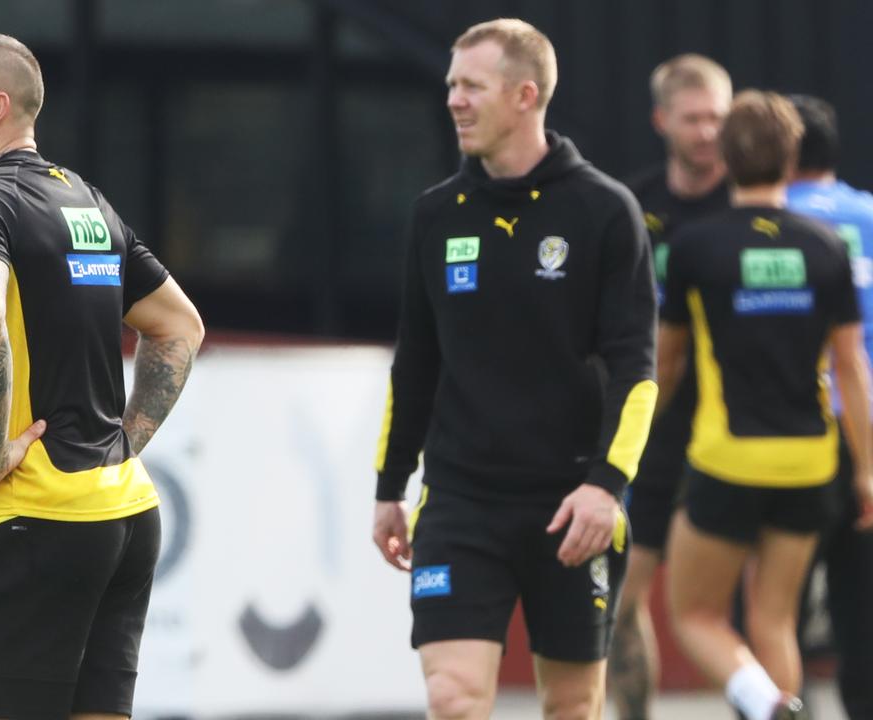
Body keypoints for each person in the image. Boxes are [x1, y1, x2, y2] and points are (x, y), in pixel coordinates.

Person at [0, 33, 204, 720]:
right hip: (125, 514)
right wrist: (124, 442)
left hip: (33, 519)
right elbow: (179, 325)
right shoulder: (85, 201)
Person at [371, 18, 656, 720]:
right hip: (462, 502)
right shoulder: (436, 215)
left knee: (572, 706)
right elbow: (416, 362)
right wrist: (389, 486)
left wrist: (605, 488)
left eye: (472, 86)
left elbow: (636, 369)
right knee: (455, 697)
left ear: (526, 95)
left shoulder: (605, 210)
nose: (454, 100)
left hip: (572, 505)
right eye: (450, 85)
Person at [658, 89, 873, 720]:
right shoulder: (825, 246)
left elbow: (665, 362)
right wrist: (865, 468)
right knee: (775, 617)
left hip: (728, 457)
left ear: (724, 157)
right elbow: (851, 369)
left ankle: (763, 703)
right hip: (811, 458)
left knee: (694, 613)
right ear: (791, 159)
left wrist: (630, 440)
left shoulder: (696, 248)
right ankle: (782, 705)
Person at [609, 54, 733, 720]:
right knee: (622, 601)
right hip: (653, 426)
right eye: (695, 118)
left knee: (750, 605)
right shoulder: (635, 206)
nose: (710, 130)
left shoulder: (753, 200)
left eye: (719, 116)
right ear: (663, 121)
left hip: (735, 426)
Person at [785, 93, 873, 718]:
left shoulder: (761, 217)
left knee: (769, 604)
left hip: (787, 432)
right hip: (867, 432)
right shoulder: (869, 213)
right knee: (862, 603)